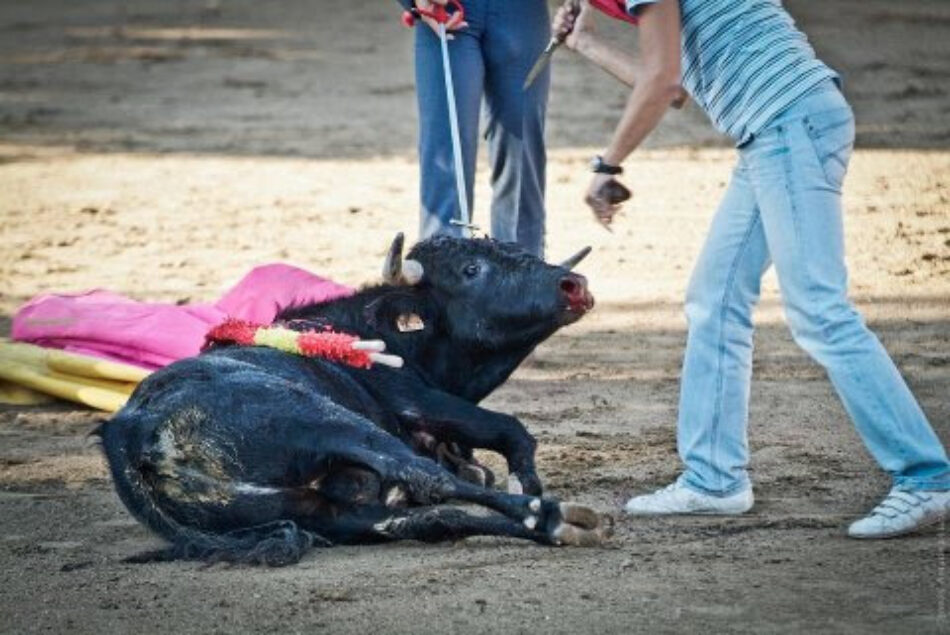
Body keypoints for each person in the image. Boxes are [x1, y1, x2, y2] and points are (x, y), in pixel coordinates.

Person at [551, 0, 950, 538]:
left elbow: (663, 82)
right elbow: (673, 88)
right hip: (777, 133)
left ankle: (926, 477)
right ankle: (714, 479)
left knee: (818, 310)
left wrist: (607, 164)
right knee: (714, 299)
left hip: (789, 128)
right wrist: (588, 43)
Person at [398, 0, 551, 257]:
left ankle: (525, 273)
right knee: (446, 149)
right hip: (446, 7)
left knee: (522, 146)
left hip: (523, 11)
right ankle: (442, 275)